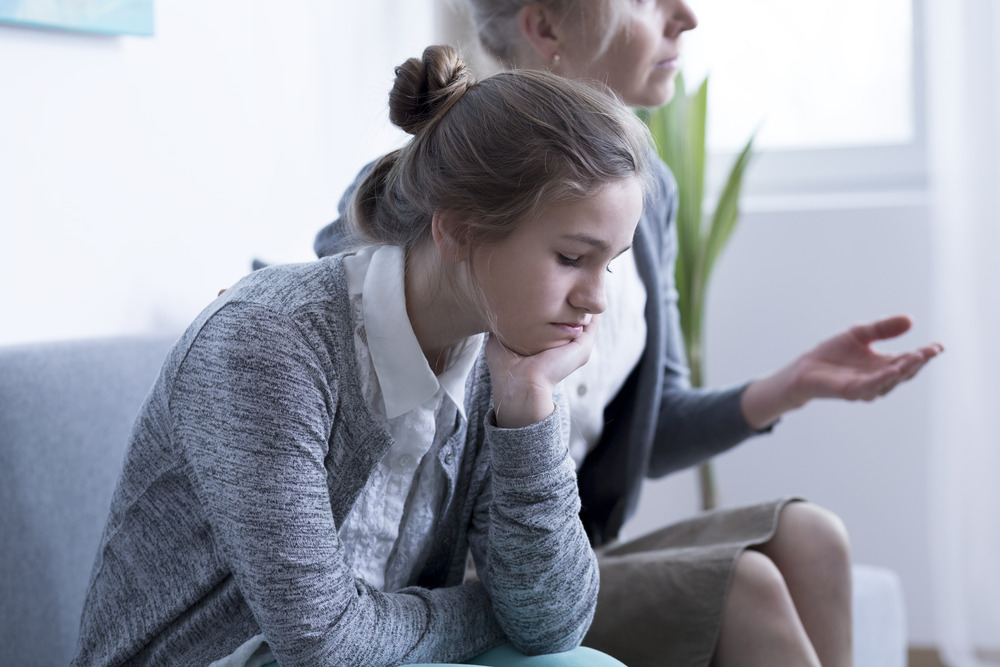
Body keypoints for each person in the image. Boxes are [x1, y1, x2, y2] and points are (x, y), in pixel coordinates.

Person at [314, 3, 945, 666]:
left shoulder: (650, 196)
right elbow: (342, 328)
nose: (687, 16)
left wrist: (789, 386)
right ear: (546, 28)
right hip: (472, 565)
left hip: (568, 547)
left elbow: (647, 428)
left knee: (811, 535)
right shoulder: (437, 189)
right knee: (744, 586)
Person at [71, 44, 654, 667]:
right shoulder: (267, 345)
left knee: (579, 664)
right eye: (571, 257)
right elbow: (324, 645)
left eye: (610, 263)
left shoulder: (501, 353)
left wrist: (530, 408)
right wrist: (484, 610)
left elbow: (552, 624)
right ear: (456, 229)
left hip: (387, 655)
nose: (596, 299)